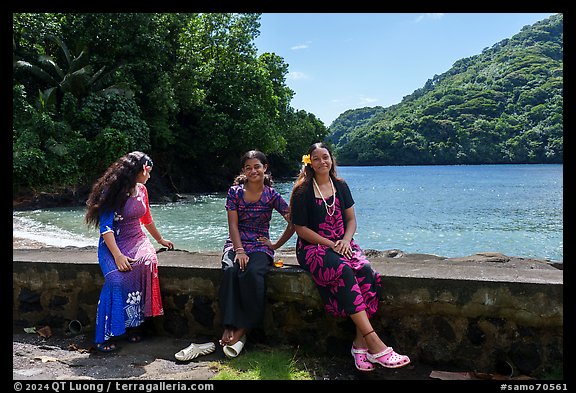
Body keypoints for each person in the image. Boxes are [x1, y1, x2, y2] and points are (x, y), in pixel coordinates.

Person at [289, 142, 410, 372]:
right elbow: (300, 228)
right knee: (343, 270)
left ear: (331, 160)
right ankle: (375, 343)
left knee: (365, 270)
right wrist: (330, 244)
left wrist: (344, 241)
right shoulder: (302, 190)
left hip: (342, 243)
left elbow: (351, 220)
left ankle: (359, 344)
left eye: (326, 157)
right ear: (310, 162)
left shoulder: (341, 186)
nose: (322, 162)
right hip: (313, 247)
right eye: (317, 158)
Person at [85, 151, 174, 352]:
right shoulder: (113, 190)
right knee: (117, 279)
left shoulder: (142, 190)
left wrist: (159, 239)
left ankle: (135, 325)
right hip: (113, 243)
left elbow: (146, 218)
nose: (149, 176)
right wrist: (117, 255)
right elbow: (106, 228)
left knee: (147, 263)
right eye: (148, 172)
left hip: (137, 239)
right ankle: (105, 334)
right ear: (139, 170)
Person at [217, 150, 294, 357]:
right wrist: (239, 250)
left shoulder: (272, 195)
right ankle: (230, 324)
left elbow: (293, 222)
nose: (253, 171)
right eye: (248, 167)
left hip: (260, 245)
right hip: (236, 242)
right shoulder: (234, 192)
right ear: (243, 170)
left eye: (257, 167)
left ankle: (243, 327)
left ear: (265, 168)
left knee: (252, 273)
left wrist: (275, 244)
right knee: (231, 270)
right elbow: (233, 225)